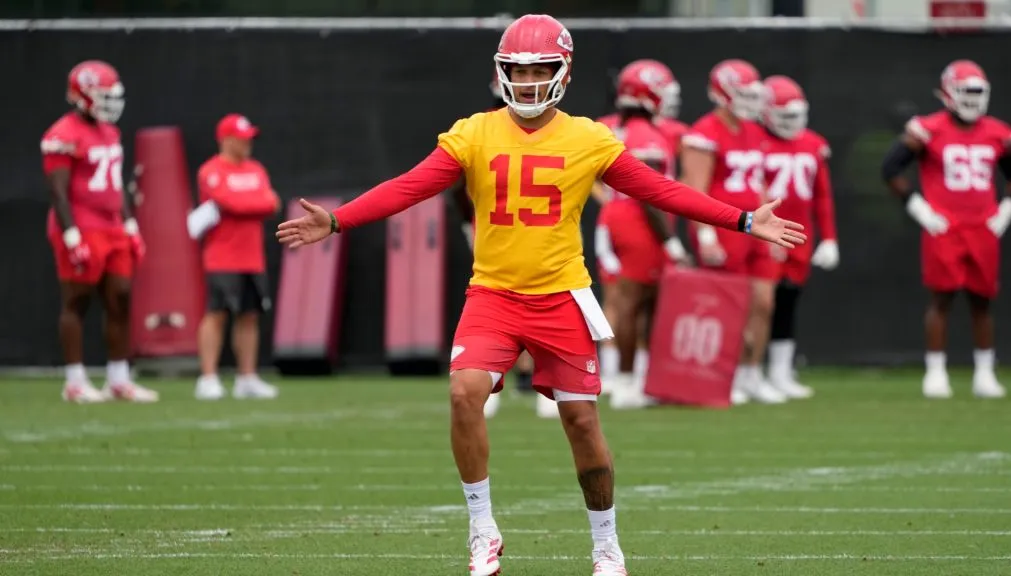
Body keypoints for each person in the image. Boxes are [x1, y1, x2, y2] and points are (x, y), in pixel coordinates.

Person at [277, 14, 804, 576]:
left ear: (564, 72)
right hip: (494, 296)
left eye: (540, 70)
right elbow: (409, 186)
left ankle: (606, 545)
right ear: (502, 74)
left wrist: (744, 221)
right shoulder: (473, 132)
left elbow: (662, 191)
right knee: (463, 394)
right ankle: (482, 529)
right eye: (518, 71)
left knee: (580, 422)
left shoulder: (588, 138)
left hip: (561, 298)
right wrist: (337, 221)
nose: (528, 83)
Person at [882, 59, 1011, 399]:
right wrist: (920, 209)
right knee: (941, 299)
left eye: (977, 92)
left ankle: (985, 373)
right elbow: (891, 168)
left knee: (982, 301)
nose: (972, 99)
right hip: (944, 227)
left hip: (983, 227)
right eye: (965, 91)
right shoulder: (929, 128)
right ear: (947, 93)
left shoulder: (998, 133)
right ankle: (936, 371)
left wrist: (1008, 209)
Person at [41, 60, 157, 403]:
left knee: (120, 298)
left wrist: (131, 224)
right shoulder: (62, 134)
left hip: (112, 226)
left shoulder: (109, 131)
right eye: (103, 95)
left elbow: (115, 183)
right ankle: (75, 381)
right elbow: (58, 191)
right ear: (82, 96)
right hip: (82, 225)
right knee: (77, 301)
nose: (110, 102)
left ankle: (119, 379)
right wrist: (71, 235)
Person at [682, 59, 786, 405]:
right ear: (722, 93)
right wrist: (707, 237)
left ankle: (751, 374)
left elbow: (757, 185)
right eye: (743, 94)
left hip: (755, 226)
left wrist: (771, 228)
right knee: (730, 308)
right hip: (725, 226)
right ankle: (725, 377)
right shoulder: (704, 133)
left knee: (764, 303)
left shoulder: (755, 131)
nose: (751, 101)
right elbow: (694, 190)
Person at [592, 59, 689, 409]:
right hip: (638, 223)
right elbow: (648, 195)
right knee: (635, 304)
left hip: (616, 218)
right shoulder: (649, 137)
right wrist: (670, 240)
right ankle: (628, 383)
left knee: (628, 303)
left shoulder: (614, 130)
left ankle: (632, 379)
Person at [454, 72, 551, 419]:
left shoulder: (557, 129)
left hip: (531, 233)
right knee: (513, 305)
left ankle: (523, 378)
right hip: (512, 233)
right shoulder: (479, 130)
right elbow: (456, 184)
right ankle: (499, 377)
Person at [760, 75, 839, 399]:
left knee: (789, 302)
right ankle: (745, 371)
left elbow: (822, 196)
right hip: (765, 234)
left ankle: (780, 371)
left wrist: (830, 238)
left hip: (798, 235)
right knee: (759, 304)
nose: (791, 123)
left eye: (796, 115)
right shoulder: (757, 142)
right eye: (785, 116)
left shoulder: (813, 144)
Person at [194, 114, 281, 401]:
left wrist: (249, 204)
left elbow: (272, 203)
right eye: (241, 138)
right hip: (222, 256)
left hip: (252, 256)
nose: (247, 144)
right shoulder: (211, 170)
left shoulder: (256, 169)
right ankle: (208, 378)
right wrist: (253, 203)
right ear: (225, 139)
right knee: (216, 314)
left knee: (249, 316)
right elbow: (229, 202)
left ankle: (247, 377)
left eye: (249, 138)